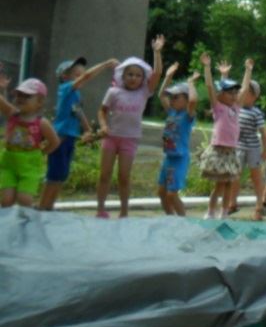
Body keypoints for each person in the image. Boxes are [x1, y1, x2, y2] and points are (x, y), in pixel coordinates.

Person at [95, 36, 165, 218]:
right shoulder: (113, 92)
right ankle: (100, 209)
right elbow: (102, 111)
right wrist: (103, 126)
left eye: (138, 75)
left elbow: (157, 73)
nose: (134, 78)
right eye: (130, 74)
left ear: (143, 79)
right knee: (104, 175)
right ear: (122, 76)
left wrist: (157, 52)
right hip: (111, 138)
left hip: (130, 139)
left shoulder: (144, 92)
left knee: (124, 177)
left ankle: (124, 212)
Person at [39, 56, 118, 211]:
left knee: (61, 175)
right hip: (60, 136)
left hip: (69, 137)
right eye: (77, 74)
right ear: (64, 76)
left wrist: (88, 130)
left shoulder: (75, 94)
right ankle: (43, 207)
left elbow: (78, 112)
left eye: (81, 73)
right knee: (54, 175)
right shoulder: (66, 88)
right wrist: (105, 64)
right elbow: (87, 76)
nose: (81, 76)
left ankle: (49, 207)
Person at [198, 53, 253, 220]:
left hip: (231, 151)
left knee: (229, 184)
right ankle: (210, 211)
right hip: (219, 150)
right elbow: (209, 86)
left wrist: (248, 70)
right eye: (230, 93)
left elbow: (244, 89)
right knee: (219, 185)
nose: (234, 96)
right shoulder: (218, 107)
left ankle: (224, 212)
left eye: (235, 93)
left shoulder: (235, 108)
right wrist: (207, 67)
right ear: (221, 94)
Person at [0, 76, 60, 208]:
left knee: (24, 199)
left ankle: (25, 220)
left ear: (40, 101)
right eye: (19, 95)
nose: (21, 98)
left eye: (27, 96)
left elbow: (54, 142)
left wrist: (42, 153)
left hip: (30, 165)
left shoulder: (42, 123)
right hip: (9, 162)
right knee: (6, 200)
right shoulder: (12, 114)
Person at [156, 64, 199, 216]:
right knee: (161, 192)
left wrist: (190, 83)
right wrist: (168, 76)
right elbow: (161, 95)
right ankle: (170, 219)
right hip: (169, 157)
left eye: (176, 97)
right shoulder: (172, 112)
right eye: (172, 97)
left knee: (171, 194)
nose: (172, 100)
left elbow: (193, 100)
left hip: (180, 158)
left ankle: (182, 220)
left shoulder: (187, 116)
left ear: (186, 100)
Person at [231, 79, 266, 220]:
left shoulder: (256, 113)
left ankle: (259, 206)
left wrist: (265, 149)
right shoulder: (236, 108)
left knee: (256, 177)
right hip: (238, 147)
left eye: (246, 92)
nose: (241, 94)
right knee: (235, 176)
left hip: (253, 148)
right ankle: (232, 203)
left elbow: (263, 132)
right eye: (241, 91)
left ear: (254, 96)